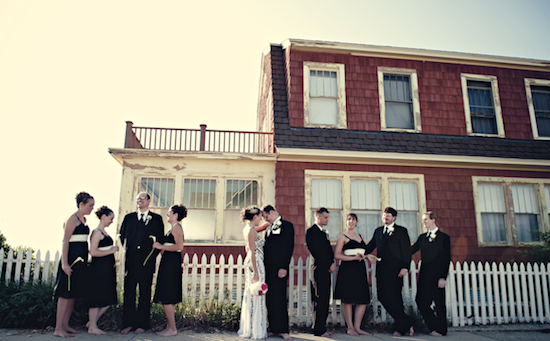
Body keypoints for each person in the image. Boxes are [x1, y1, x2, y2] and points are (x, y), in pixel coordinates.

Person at [365, 207, 415, 337]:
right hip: (381, 269)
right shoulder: (378, 231)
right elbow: (370, 246)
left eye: (389, 215)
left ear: (394, 218)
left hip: (396, 270)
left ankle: (399, 328)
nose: (386, 217)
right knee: (382, 296)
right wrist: (360, 252)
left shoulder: (401, 231)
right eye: (384, 215)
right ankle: (407, 321)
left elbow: (406, 251)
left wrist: (405, 267)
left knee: (396, 298)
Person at [119, 192, 165, 334]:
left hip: (147, 262)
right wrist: (130, 250)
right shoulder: (129, 218)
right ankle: (128, 324)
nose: (139, 201)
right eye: (138, 198)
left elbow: (160, 240)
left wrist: (151, 256)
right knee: (129, 293)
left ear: (149, 201)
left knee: (145, 294)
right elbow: (122, 236)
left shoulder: (156, 219)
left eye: (142, 198)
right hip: (131, 262)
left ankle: (142, 325)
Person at [53, 192, 94, 338]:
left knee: (73, 294)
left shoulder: (83, 219)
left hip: (80, 262)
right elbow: (65, 241)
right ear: (81, 204)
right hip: (70, 260)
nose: (92, 208)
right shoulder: (72, 218)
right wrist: (65, 263)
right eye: (90, 205)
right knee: (64, 294)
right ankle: (58, 328)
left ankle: (65, 325)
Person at [411, 212, 451, 337]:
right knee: (420, 300)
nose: (424, 222)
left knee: (439, 302)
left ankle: (441, 330)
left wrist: (443, 277)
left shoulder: (444, 238)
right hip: (424, 274)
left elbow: (446, 258)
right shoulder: (422, 237)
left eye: (426, 219)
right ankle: (434, 326)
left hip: (438, 274)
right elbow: (411, 250)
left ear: (433, 220)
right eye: (423, 220)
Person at [334, 213, 371, 336]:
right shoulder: (342, 237)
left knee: (362, 299)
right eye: (349, 219)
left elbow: (362, 252)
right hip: (348, 269)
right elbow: (337, 255)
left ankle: (357, 327)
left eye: (353, 219)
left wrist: (367, 257)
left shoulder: (360, 236)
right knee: (348, 299)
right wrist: (353, 258)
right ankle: (350, 328)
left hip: (360, 269)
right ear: (346, 222)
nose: (351, 221)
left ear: (356, 222)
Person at [261, 204, 295, 341]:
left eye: (266, 216)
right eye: (264, 218)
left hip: (280, 268)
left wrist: (284, 267)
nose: (265, 219)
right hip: (268, 269)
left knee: (280, 298)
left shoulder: (287, 226)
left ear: (273, 212)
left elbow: (288, 247)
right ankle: (273, 328)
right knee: (270, 299)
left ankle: (283, 330)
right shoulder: (268, 228)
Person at [152, 204, 186, 337]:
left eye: (169, 212)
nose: (167, 214)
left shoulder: (177, 227)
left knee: (167, 295)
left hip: (172, 263)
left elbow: (179, 246)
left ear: (176, 215)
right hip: (168, 262)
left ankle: (172, 329)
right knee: (167, 295)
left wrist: (160, 246)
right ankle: (169, 327)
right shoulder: (172, 228)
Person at [87, 206, 119, 335]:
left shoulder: (105, 233)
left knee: (108, 299)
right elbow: (93, 252)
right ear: (103, 217)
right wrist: (111, 250)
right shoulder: (96, 232)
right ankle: (92, 327)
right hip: (98, 270)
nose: (112, 221)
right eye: (111, 218)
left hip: (107, 270)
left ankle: (92, 322)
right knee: (97, 297)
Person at [238, 206, 268, 339]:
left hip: (254, 263)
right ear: (255, 217)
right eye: (260, 216)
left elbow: (259, 229)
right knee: (257, 295)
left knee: (252, 295)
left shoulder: (248, 228)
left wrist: (267, 224)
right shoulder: (250, 230)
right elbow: (251, 252)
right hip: (255, 264)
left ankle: (252, 328)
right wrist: (255, 272)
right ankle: (255, 330)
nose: (261, 218)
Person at [306, 207, 336, 338]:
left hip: (326, 270)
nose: (327, 220)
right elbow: (317, 252)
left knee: (324, 299)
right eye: (325, 217)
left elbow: (328, 250)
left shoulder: (323, 232)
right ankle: (318, 329)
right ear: (317, 217)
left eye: (328, 217)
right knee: (318, 299)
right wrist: (329, 264)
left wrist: (333, 262)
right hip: (318, 270)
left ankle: (321, 327)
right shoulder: (311, 232)